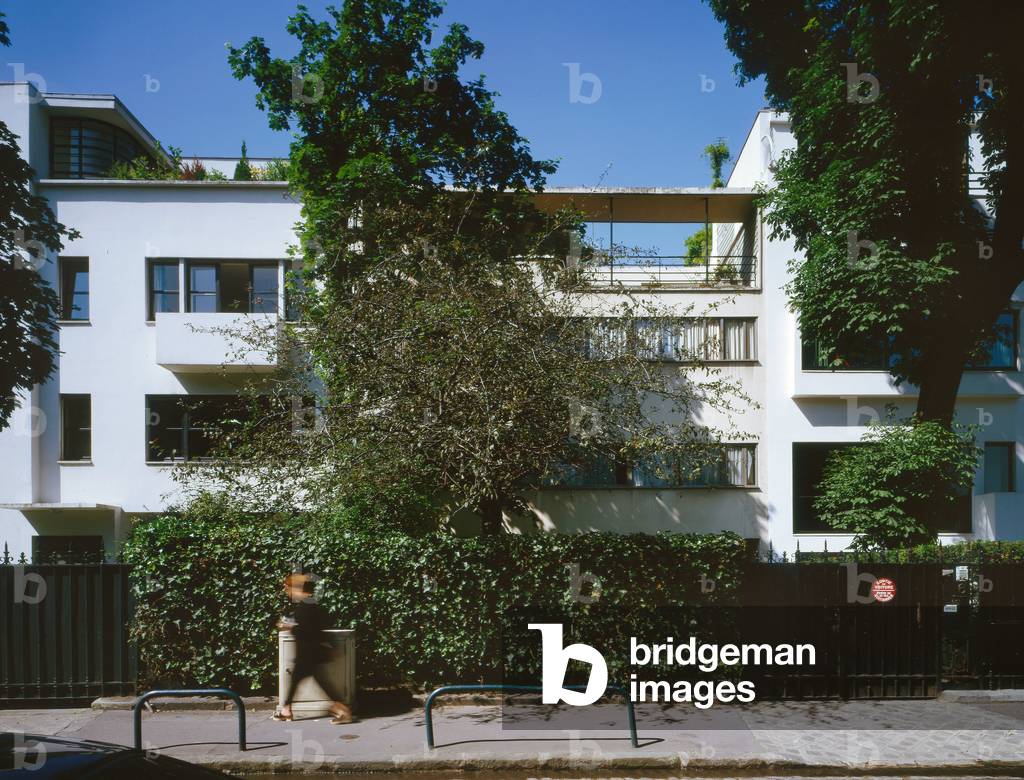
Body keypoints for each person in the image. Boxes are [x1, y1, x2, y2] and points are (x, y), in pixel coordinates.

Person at [273, 572, 355, 724]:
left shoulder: (305, 606)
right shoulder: (310, 603)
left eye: (289, 589)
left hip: (308, 653)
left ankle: (342, 710)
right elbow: (318, 628)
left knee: (316, 683)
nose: (289, 593)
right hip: (310, 652)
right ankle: (287, 710)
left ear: (297, 588)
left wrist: (288, 626)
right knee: (308, 681)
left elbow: (308, 631)